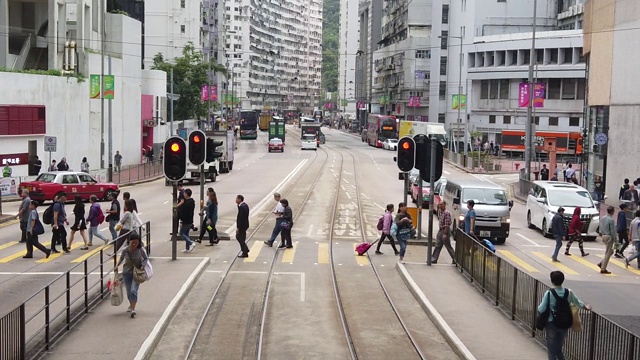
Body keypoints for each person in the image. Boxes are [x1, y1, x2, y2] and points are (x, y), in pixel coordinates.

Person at [537, 271, 591, 360]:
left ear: (552, 281)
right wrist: (586, 307)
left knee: (551, 350)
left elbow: (541, 309)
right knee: (559, 349)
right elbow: (578, 303)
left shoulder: (549, 293)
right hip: (565, 323)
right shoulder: (569, 292)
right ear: (563, 280)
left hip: (551, 323)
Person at [115, 232, 149, 318]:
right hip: (126, 273)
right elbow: (122, 258)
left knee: (134, 290)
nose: (134, 244)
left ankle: (133, 309)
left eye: (136, 243)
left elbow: (146, 258)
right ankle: (131, 305)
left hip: (137, 273)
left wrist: (143, 265)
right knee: (129, 291)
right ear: (129, 241)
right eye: (132, 242)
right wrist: (117, 265)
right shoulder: (125, 250)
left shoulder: (140, 250)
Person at [597, 206, 617, 274]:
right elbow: (613, 231)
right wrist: (615, 240)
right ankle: (603, 268)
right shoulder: (611, 220)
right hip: (609, 236)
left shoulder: (603, 218)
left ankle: (601, 263)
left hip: (603, 235)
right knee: (608, 253)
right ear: (612, 211)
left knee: (610, 251)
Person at [177, 189, 197, 253]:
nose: (183, 194)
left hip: (186, 220)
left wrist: (181, 220)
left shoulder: (186, 203)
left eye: (184, 193)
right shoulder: (191, 202)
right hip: (190, 220)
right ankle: (187, 248)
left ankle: (191, 242)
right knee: (186, 234)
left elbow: (183, 212)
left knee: (182, 233)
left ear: (186, 194)